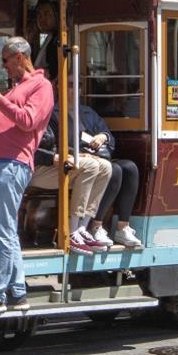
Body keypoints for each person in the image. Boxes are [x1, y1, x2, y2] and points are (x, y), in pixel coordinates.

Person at [0, 36, 53, 314]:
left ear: (19, 57)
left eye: (5, 60)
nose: (3, 67)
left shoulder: (41, 86)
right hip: (1, 162)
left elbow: (29, 121)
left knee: (3, 231)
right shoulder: (19, 88)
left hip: (13, 164)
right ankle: (17, 292)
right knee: (7, 231)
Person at [45, 104, 112, 254]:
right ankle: (72, 230)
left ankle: (82, 227)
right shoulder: (48, 113)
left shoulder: (87, 111)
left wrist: (102, 137)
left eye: (78, 86)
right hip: (43, 165)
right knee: (90, 165)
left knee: (106, 167)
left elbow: (109, 136)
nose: (76, 89)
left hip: (63, 159)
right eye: (70, 85)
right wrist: (71, 154)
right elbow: (47, 146)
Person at [82, 124, 143, 249]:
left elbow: (107, 133)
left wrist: (102, 136)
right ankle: (96, 226)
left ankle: (122, 228)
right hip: (81, 159)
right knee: (114, 170)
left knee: (129, 168)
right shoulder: (57, 113)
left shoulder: (86, 112)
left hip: (100, 156)